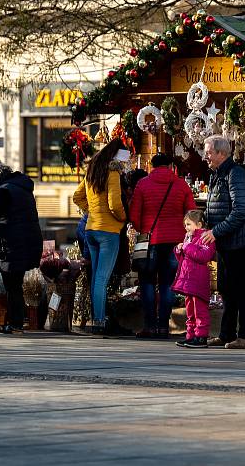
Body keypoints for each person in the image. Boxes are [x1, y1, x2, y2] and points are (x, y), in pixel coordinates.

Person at [130, 153, 196, 338]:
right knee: (168, 284)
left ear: (152, 165)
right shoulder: (181, 184)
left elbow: (134, 216)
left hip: (150, 241)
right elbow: (191, 214)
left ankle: (150, 325)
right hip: (175, 241)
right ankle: (164, 327)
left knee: (147, 282)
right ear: (169, 166)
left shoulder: (142, 184)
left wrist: (142, 229)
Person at [201, 135, 245, 349]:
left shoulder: (236, 174)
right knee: (226, 288)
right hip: (225, 242)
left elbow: (241, 210)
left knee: (241, 289)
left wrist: (216, 231)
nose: (206, 156)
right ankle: (226, 334)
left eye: (209, 152)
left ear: (222, 153)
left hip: (238, 242)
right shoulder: (217, 175)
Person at [0, 161, 43, 334]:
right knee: (16, 285)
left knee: (12, 286)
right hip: (27, 240)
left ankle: (15, 325)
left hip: (13, 244)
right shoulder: (22, 186)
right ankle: (17, 322)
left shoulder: (3, 191)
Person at [72, 139, 128, 335]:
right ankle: (99, 321)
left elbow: (77, 197)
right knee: (102, 279)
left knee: (96, 277)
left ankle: (97, 319)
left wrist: (93, 210)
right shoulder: (113, 173)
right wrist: (123, 218)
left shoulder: (92, 171)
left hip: (91, 230)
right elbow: (114, 203)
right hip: (108, 231)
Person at [172, 210, 216, 348]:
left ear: (199, 224)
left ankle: (201, 336)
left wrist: (187, 247)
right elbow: (185, 259)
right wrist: (179, 250)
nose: (186, 228)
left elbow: (203, 256)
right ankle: (190, 335)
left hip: (198, 280)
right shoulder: (188, 238)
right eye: (185, 225)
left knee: (200, 310)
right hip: (188, 280)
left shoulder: (205, 238)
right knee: (190, 309)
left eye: (189, 224)